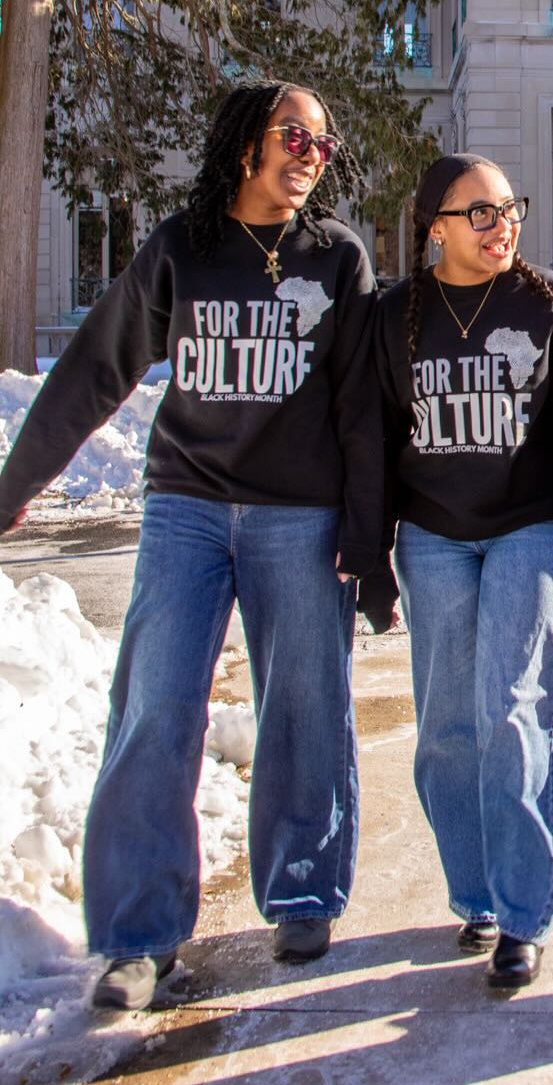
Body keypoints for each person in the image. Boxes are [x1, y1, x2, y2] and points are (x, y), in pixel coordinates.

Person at [0, 80, 384, 1010]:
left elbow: (361, 410)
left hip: (301, 512)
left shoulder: (337, 259)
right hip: (186, 506)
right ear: (246, 139)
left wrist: (368, 540)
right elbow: (97, 368)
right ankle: (138, 932)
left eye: (323, 147)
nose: (308, 156)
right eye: (295, 136)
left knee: (303, 701)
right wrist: (13, 488)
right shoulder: (183, 247)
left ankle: (300, 887)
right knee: (155, 702)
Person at [376, 152, 553, 990]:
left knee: (516, 708)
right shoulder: (395, 315)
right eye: (479, 212)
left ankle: (521, 911)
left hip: (527, 527)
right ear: (434, 225)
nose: (502, 223)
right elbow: (372, 440)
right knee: (446, 726)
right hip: (431, 535)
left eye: (511, 206)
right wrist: (369, 558)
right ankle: (472, 892)